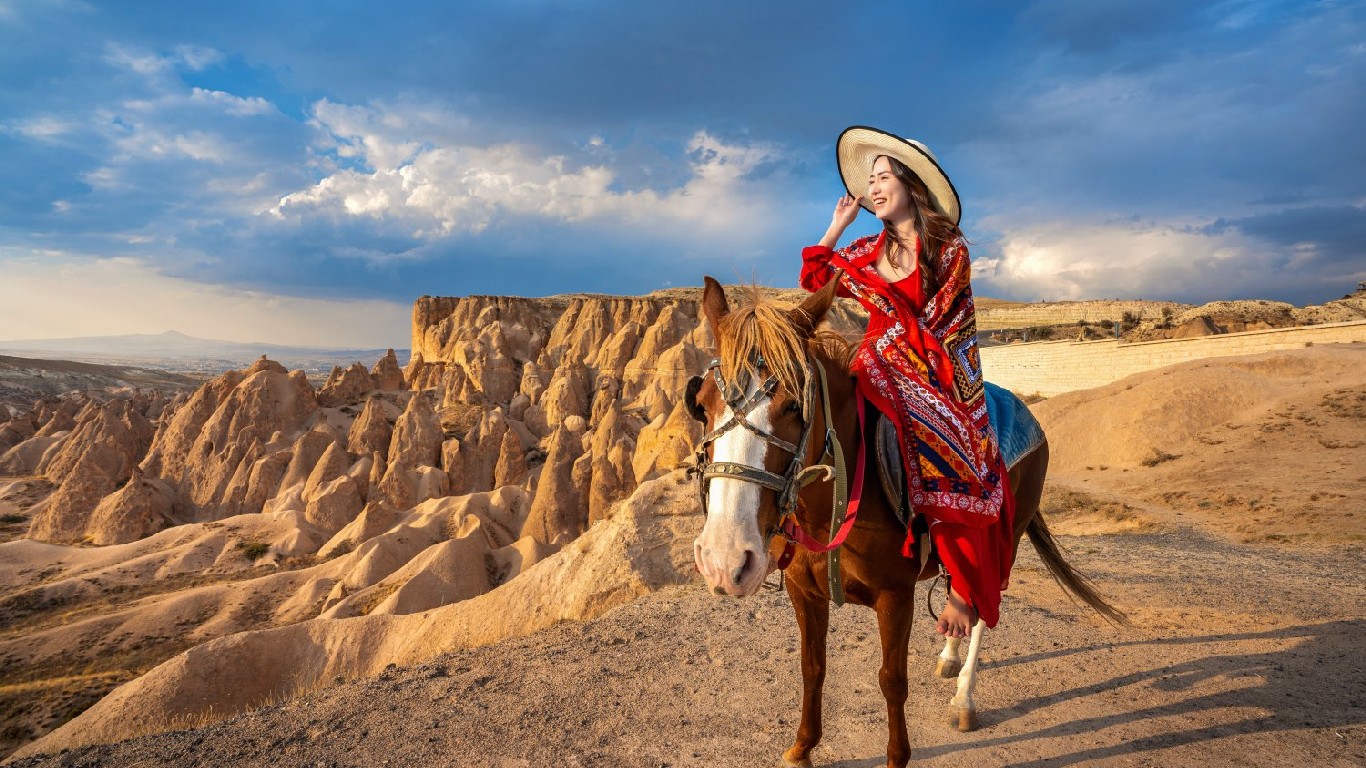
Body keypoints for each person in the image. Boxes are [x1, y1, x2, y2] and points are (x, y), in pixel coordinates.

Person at [798, 126, 1015, 640]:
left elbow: (946, 319)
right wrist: (835, 225)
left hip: (936, 362)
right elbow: (815, 279)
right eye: (869, 180)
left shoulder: (948, 248)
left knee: (954, 445)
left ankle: (961, 588)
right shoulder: (865, 248)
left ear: (910, 185)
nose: (873, 188)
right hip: (877, 358)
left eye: (883, 177)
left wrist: (902, 341)